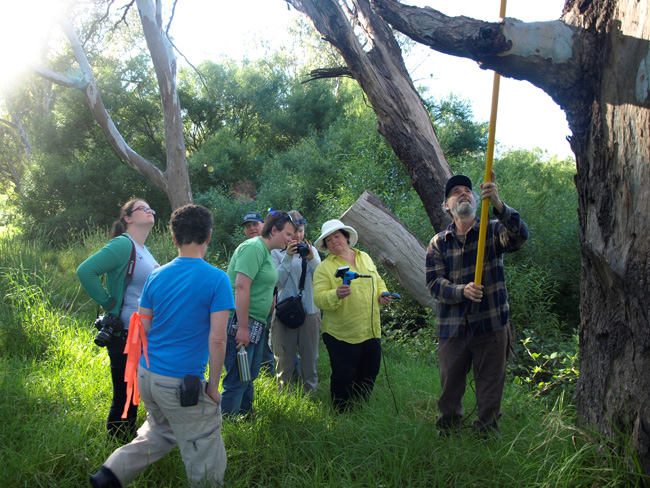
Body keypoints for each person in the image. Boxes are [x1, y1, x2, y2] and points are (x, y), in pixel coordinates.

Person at [89, 204, 234, 488]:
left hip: (148, 375)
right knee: (203, 443)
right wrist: (214, 387)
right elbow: (218, 339)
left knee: (160, 431)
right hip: (182, 381)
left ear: (173, 238)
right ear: (208, 236)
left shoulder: (156, 275)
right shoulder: (217, 279)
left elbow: (142, 328)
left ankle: (110, 475)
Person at [425, 172, 528, 436]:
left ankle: (486, 434)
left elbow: (520, 237)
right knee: (450, 387)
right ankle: (448, 431)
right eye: (455, 191)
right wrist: (462, 290)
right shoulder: (438, 242)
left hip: (491, 326)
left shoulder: (492, 230)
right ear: (447, 206)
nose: (463, 193)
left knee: (490, 387)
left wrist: (498, 204)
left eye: (467, 190)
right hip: (452, 330)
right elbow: (434, 283)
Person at [77, 199, 159, 442]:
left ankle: (129, 444)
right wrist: (108, 302)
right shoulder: (123, 245)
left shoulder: (143, 249)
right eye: (142, 208)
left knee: (137, 394)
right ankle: (117, 449)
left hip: (142, 334)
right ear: (128, 218)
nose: (149, 210)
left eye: (151, 208)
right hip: (125, 335)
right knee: (125, 395)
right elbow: (86, 271)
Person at [221, 210, 297, 418]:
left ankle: (246, 415)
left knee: (249, 373)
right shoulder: (253, 247)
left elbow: (264, 282)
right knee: (237, 377)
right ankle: (227, 425)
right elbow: (242, 287)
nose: (291, 239)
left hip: (256, 321)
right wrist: (243, 328)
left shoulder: (264, 251)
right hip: (240, 322)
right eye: (288, 234)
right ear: (274, 230)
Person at [313, 220, 392, 412]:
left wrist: (383, 294)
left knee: (369, 373)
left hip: (371, 329)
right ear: (325, 245)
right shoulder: (324, 268)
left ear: (346, 237)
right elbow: (318, 298)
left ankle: (360, 409)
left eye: (337, 236)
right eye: (329, 240)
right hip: (341, 334)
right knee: (343, 376)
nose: (333, 242)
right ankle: (341, 415)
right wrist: (335, 294)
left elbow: (378, 280)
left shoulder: (364, 257)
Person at [270, 210, 321, 395]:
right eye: (293, 232)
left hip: (310, 310)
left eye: (300, 230)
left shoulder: (311, 250)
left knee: (310, 358)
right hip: (285, 310)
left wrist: (311, 258)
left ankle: (311, 395)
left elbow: (323, 278)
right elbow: (278, 282)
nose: (297, 235)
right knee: (285, 359)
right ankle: (285, 397)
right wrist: (288, 256)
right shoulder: (276, 252)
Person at [241, 210, 276, 376]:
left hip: (268, 308)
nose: (252, 228)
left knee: (266, 348)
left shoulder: (269, 248)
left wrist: (273, 299)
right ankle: (257, 383)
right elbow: (241, 285)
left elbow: (271, 279)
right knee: (253, 353)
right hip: (248, 313)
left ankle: (270, 380)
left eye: (255, 224)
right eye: (248, 226)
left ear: (264, 225)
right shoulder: (249, 249)